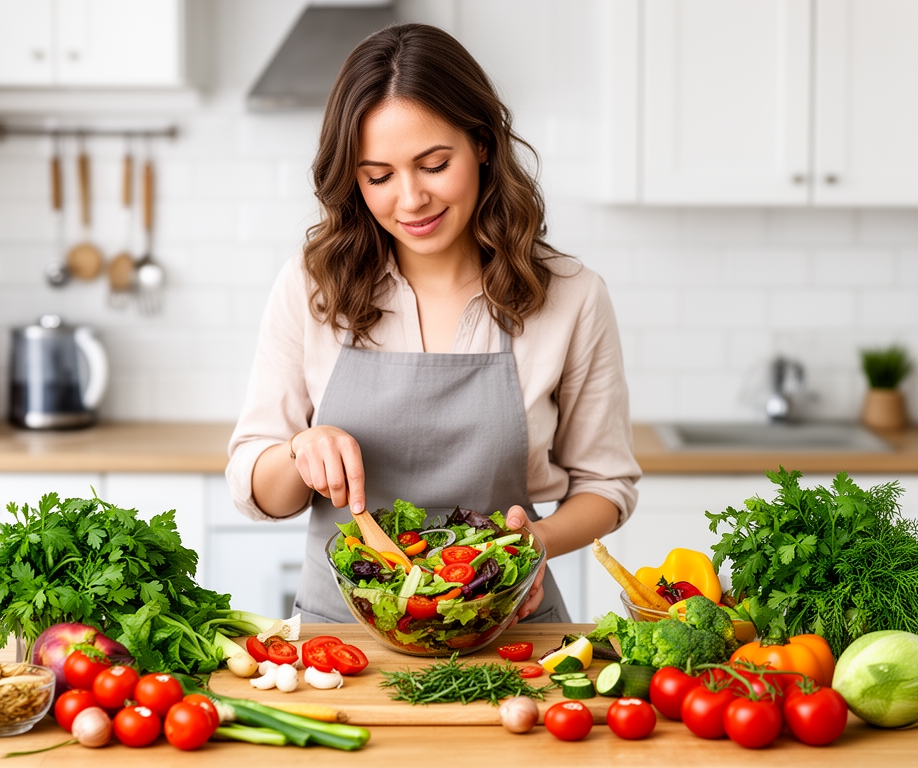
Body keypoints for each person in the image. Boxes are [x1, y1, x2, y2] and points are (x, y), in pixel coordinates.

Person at [226, 22, 641, 624]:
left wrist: (532, 548)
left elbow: (607, 486)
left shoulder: (572, 296)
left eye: (434, 163)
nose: (411, 199)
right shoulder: (313, 285)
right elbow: (254, 485)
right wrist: (299, 451)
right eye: (379, 176)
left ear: (482, 143)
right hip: (344, 644)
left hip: (507, 630)